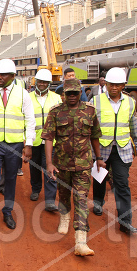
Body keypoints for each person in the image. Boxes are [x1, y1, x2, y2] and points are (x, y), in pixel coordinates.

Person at [43, 78, 105, 256]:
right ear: (63, 94)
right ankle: (64, 216)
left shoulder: (89, 111)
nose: (71, 96)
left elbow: (94, 135)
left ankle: (80, 241)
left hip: (84, 164)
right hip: (62, 164)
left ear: (80, 93)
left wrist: (99, 158)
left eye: (75, 93)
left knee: (81, 199)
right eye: (68, 93)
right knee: (63, 195)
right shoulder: (55, 112)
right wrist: (49, 163)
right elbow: (48, 137)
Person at [0, 59, 35, 233]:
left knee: (11, 179)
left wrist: (29, 144)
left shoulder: (23, 94)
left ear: (13, 76)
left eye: (3, 74)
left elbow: (29, 120)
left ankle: (8, 212)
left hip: (15, 144)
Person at [91, 68, 137, 235]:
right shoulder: (96, 101)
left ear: (123, 85)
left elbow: (132, 125)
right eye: (111, 84)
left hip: (122, 148)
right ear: (106, 84)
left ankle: (125, 222)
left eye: (118, 85)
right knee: (100, 178)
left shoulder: (130, 102)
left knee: (122, 184)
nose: (114, 88)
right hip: (101, 148)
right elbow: (90, 126)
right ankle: (98, 202)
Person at [29, 69, 62, 211]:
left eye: (45, 82)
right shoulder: (27, 97)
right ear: (35, 81)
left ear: (49, 83)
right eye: (40, 81)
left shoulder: (56, 98)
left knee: (50, 167)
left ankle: (50, 200)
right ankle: (35, 189)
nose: (42, 84)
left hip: (51, 140)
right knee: (34, 166)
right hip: (34, 139)